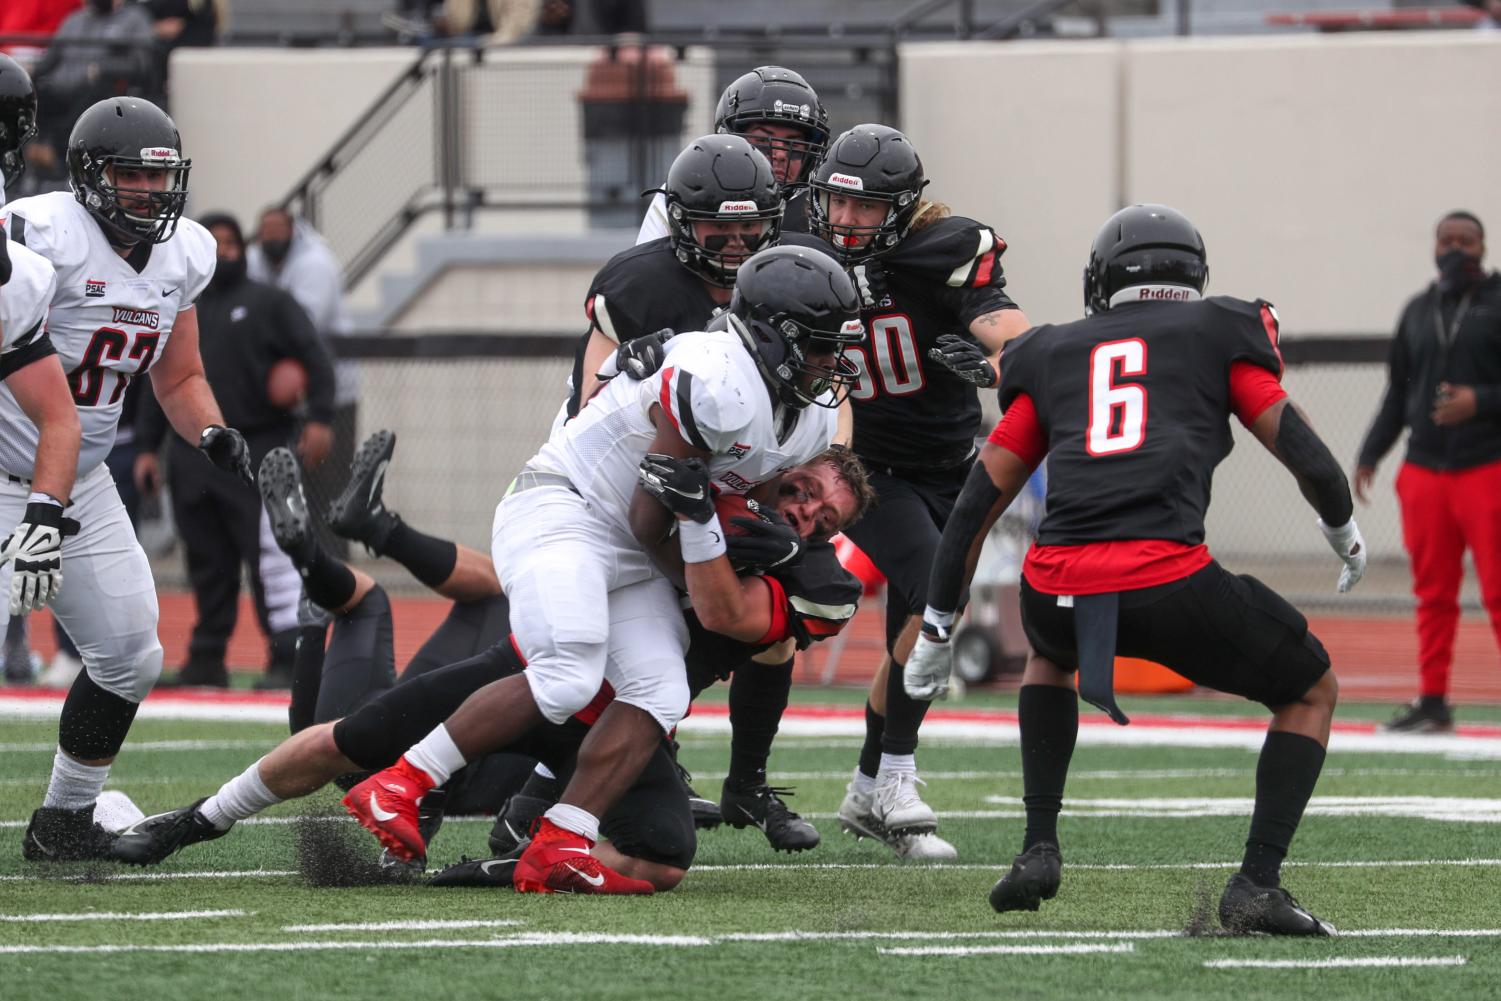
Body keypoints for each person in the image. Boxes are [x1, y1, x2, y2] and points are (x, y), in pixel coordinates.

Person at [110, 435, 871, 894]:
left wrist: (748, 781)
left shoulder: (813, 578)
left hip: (619, 728)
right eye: (801, 490)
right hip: (532, 672)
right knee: (349, 738)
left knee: (664, 858)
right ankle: (196, 820)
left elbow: (734, 621)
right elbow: (640, 491)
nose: (804, 511)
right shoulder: (701, 483)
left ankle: (506, 861)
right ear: (775, 470)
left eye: (823, 517)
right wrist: (702, 511)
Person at [341, 246, 863, 893]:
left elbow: (718, 501)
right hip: (571, 506)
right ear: (771, 337)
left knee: (660, 690)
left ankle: (562, 837)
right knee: (567, 673)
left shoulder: (806, 418)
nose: (828, 362)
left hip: (635, 541)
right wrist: (706, 549)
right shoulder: (717, 382)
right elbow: (654, 516)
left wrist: (742, 536)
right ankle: (403, 781)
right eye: (818, 345)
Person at [908, 203, 1361, 935]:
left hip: (1053, 587)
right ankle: (1255, 883)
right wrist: (1339, 525)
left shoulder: (1052, 351)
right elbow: (1299, 446)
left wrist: (935, 627)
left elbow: (975, 503)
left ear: (1102, 279)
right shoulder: (1221, 330)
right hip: (1166, 579)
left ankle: (1037, 847)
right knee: (1311, 687)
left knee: (1047, 659)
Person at [8, 96, 254, 862]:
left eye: (158, 178)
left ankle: (64, 819)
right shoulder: (40, 233)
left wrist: (211, 431)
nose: (147, 193)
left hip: (77, 477)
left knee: (129, 651)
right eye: (128, 176)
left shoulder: (185, 253)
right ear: (88, 176)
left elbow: (179, 377)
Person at [805, 124, 1030, 860]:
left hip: (951, 464)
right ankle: (896, 777)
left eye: (864, 208)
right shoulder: (802, 258)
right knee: (940, 587)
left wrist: (1007, 360)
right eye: (836, 204)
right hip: (865, 468)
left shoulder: (943, 252)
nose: (845, 221)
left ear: (901, 208)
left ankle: (867, 788)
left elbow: (1002, 325)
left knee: (913, 629)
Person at [135, 211, 336, 689]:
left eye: (231, 242)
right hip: (194, 450)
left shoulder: (272, 303)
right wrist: (147, 447)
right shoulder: (177, 303)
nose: (224, 252)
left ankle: (287, 657)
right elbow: (156, 383)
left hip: (260, 448)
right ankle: (206, 658)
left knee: (271, 558)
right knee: (206, 560)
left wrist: (322, 418)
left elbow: (317, 359)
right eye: (215, 243)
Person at [1355, 210, 1501, 733]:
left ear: (1484, 247)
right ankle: (1433, 701)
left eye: (1466, 240)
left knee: (1498, 591)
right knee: (1432, 593)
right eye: (1447, 240)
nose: (1455, 248)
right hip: (1424, 469)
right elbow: (1399, 390)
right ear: (1434, 246)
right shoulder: (1417, 310)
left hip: (1487, 465)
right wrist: (1371, 453)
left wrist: (1480, 401)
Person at [246, 206, 355, 556]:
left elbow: (300, 326)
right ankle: (297, 567)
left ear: (293, 231)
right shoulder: (254, 261)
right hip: (275, 400)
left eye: (278, 231)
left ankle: (336, 567)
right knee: (283, 487)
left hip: (329, 394)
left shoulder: (315, 264)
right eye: (266, 231)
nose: (271, 238)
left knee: (327, 485)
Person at [637, 66, 827, 245]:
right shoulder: (689, 190)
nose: (780, 154)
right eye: (762, 141)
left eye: (793, 143)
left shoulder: (826, 207)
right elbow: (652, 268)